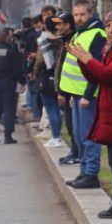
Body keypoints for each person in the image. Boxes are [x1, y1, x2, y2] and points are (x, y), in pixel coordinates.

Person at [67, 10, 112, 217]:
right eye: (108, 26)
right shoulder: (111, 47)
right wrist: (82, 60)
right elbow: (97, 76)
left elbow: (110, 74)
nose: (111, 30)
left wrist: (88, 59)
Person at [60, 0, 106, 189]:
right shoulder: (80, 33)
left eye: (82, 15)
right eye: (76, 15)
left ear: (90, 14)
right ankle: (84, 171)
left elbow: (96, 68)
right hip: (77, 94)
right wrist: (72, 94)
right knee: (79, 136)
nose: (78, 18)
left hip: (89, 96)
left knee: (89, 136)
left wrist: (87, 95)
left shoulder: (97, 34)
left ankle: (91, 174)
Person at [0, 28, 26, 144]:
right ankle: (8, 136)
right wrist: (22, 82)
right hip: (8, 83)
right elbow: (17, 69)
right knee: (9, 110)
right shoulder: (11, 51)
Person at [51, 13, 80, 164]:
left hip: (71, 91)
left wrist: (63, 92)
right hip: (67, 90)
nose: (57, 27)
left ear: (68, 26)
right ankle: (74, 152)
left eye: (60, 24)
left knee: (73, 125)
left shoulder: (72, 42)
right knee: (70, 124)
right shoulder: (65, 41)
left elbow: (68, 68)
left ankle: (76, 154)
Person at [33, 14, 64, 147]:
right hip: (60, 75)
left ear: (46, 26)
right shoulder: (63, 39)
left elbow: (40, 61)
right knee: (57, 108)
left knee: (50, 107)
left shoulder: (44, 40)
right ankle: (58, 135)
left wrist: (34, 72)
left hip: (47, 76)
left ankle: (55, 136)